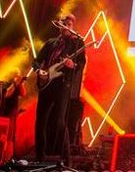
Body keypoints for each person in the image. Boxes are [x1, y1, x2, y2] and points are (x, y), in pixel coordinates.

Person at [32, 14, 87, 164]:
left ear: (72, 27)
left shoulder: (77, 43)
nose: (65, 26)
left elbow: (81, 63)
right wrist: (39, 71)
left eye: (69, 24)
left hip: (62, 84)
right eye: (64, 23)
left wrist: (73, 65)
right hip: (46, 84)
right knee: (40, 121)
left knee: (59, 121)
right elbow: (36, 61)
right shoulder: (51, 43)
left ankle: (66, 158)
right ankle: (39, 157)